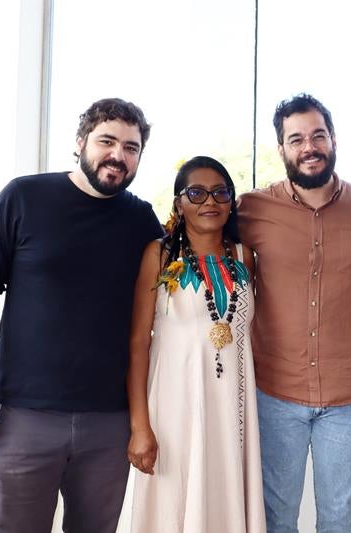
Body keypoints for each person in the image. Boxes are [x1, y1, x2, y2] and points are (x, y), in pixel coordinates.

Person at [0, 98, 164, 532]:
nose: (118, 155)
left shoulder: (141, 220)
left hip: (109, 423)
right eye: (107, 141)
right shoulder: (23, 197)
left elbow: (170, 301)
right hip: (24, 417)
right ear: (80, 142)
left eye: (131, 147)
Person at [238, 94, 351, 533]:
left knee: (339, 521)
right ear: (281, 148)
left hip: (350, 399)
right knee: (275, 520)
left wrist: (347, 313)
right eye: (297, 139)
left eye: (318, 135)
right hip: (273, 396)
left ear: (333, 139)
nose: (309, 147)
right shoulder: (251, 210)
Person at [127, 156, 265, 532]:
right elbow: (138, 343)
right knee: (173, 502)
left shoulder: (244, 256)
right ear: (179, 203)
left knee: (224, 495)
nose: (210, 201)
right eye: (197, 193)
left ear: (232, 201)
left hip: (232, 408)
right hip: (174, 408)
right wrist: (140, 426)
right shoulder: (159, 255)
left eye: (221, 192)